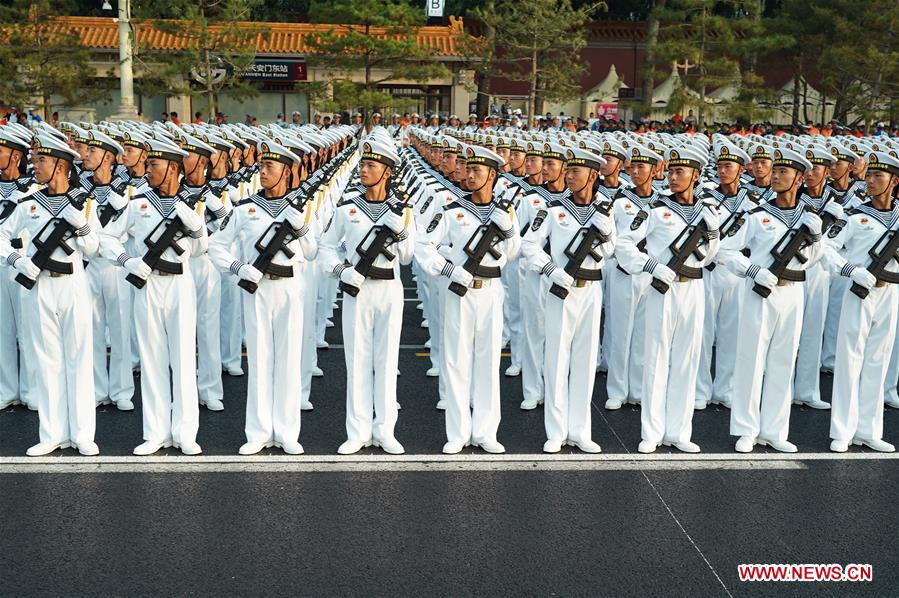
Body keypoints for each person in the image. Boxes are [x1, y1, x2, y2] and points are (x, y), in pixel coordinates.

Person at [101, 136, 207, 456]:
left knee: (183, 360)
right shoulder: (138, 202)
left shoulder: (192, 204)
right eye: (147, 164)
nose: (147, 169)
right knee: (152, 360)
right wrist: (127, 261)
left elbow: (202, 250)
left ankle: (185, 432)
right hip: (147, 285)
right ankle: (155, 431)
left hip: (179, 285)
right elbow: (108, 238)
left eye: (154, 165)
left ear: (173, 168)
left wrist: (197, 228)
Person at [209, 140, 315, 456]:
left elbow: (312, 252)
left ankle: (286, 432)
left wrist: (301, 228)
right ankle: (257, 432)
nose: (263, 171)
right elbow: (216, 246)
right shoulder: (244, 208)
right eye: (262, 165)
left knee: (287, 361)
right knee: (259, 359)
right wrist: (238, 267)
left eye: (270, 167)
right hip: (257, 289)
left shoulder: (301, 208)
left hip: (289, 289)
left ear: (287, 171)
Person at [0, 133, 101, 456]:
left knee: (79, 359)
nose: (35, 165)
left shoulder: (85, 204)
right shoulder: (27, 203)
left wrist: (82, 227)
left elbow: (93, 247)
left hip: (73, 286)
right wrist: (16, 259)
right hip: (39, 286)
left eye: (42, 160)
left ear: (60, 165)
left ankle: (83, 433)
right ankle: (52, 433)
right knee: (47, 361)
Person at [719, 147, 824, 453]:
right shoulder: (756, 215)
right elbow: (727, 252)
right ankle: (747, 429)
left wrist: (816, 239)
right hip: (760, 293)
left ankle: (775, 429)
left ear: (799, 178)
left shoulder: (809, 218)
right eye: (775, 171)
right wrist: (753, 270)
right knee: (751, 360)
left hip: (793, 293)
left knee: (783, 360)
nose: (776, 177)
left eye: (783, 173)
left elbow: (811, 260)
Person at [417, 144, 520, 454]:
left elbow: (513, 252)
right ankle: (458, 432)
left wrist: (508, 233)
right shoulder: (452, 209)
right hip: (459, 292)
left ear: (493, 175)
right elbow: (424, 245)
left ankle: (487, 431)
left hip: (490, 291)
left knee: (488, 362)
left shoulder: (505, 212)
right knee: (456, 361)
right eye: (468, 169)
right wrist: (447, 269)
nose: (469, 174)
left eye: (477, 171)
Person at [617, 144, 720, 453]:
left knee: (686, 360)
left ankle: (679, 431)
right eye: (672, 172)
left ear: (696, 176)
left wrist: (714, 235)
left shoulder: (707, 210)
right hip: (663, 288)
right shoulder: (654, 209)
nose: (674, 178)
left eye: (681, 172)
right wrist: (650, 266)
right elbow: (623, 243)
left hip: (694, 288)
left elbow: (709, 256)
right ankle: (652, 431)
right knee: (656, 360)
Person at [320, 136, 413, 455]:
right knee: (357, 360)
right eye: (363, 164)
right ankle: (357, 430)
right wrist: (341, 271)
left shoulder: (402, 209)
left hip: (388, 289)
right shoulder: (347, 207)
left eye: (371, 165)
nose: (364, 169)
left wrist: (400, 230)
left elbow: (408, 256)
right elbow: (325, 248)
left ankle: (385, 429)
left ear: (387, 172)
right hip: (356, 290)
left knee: (387, 361)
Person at [521, 145, 614, 453]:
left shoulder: (606, 210)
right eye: (569, 170)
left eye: (577, 172)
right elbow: (529, 246)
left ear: (593, 175)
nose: (570, 176)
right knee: (557, 360)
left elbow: (611, 251)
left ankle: (580, 430)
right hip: (561, 290)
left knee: (586, 362)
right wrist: (550, 270)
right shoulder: (553, 208)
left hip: (591, 290)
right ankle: (556, 431)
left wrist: (607, 235)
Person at [823, 150, 899, 453]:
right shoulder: (853, 215)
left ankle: (869, 429)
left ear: (894, 181)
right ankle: (842, 430)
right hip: (859, 292)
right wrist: (849, 269)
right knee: (849, 360)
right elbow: (826, 248)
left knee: (877, 362)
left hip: (890, 292)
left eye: (877, 176)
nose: (869, 181)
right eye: (868, 175)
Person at [695, 141, 754, 409]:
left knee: (732, 334)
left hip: (735, 274)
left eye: (728, 166)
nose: (722, 171)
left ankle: (725, 388)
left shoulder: (752, 203)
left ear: (741, 170)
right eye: (719, 166)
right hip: (707, 269)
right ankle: (700, 389)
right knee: (702, 332)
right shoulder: (705, 198)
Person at [81, 130, 134, 411]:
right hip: (89, 265)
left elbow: (130, 224)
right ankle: (98, 388)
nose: (86, 156)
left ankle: (122, 390)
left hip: (115, 266)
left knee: (120, 328)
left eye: (93, 152)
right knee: (92, 330)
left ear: (108, 158)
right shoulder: (78, 186)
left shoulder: (126, 189)